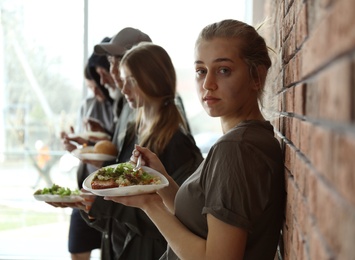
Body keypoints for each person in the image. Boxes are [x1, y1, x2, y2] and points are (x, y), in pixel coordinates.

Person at [107, 19, 286, 260]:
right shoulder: (247, 139)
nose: (208, 84)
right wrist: (162, 182)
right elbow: (199, 224)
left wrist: (149, 205)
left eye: (224, 70)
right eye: (201, 71)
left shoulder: (237, 148)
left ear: (257, 76)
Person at [80, 42, 203, 260]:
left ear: (152, 80)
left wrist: (105, 205)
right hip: (121, 248)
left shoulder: (178, 143)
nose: (124, 90)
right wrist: (91, 205)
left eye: (131, 82)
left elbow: (182, 218)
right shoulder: (133, 130)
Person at [57, 50, 115, 260]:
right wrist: (73, 143)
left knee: (111, 248)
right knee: (77, 246)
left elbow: (116, 148)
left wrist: (97, 140)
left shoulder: (121, 105)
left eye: (97, 84)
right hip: (87, 186)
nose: (96, 90)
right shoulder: (88, 105)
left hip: (111, 192)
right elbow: (86, 144)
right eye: (91, 86)